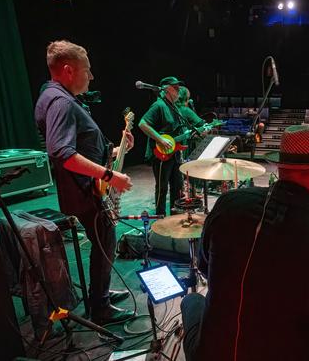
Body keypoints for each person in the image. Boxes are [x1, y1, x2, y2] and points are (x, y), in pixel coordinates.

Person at [180, 125, 309, 360]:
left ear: (279, 168)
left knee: (191, 299)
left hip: (212, 353)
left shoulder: (228, 204)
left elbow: (204, 267)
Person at [34, 40, 134, 324]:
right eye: (87, 70)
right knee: (105, 240)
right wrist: (110, 175)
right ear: (68, 70)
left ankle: (98, 296)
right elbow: (63, 152)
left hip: (84, 187)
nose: (91, 77)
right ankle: (99, 308)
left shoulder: (55, 95)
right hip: (83, 192)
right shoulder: (61, 102)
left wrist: (115, 152)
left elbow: (80, 146)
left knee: (104, 240)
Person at [138, 77, 204, 216]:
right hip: (161, 154)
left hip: (174, 153)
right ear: (167, 89)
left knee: (177, 188)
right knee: (162, 189)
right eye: (176, 88)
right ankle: (159, 218)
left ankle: (174, 219)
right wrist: (160, 138)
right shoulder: (159, 105)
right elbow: (143, 124)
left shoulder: (174, 107)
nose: (179, 91)